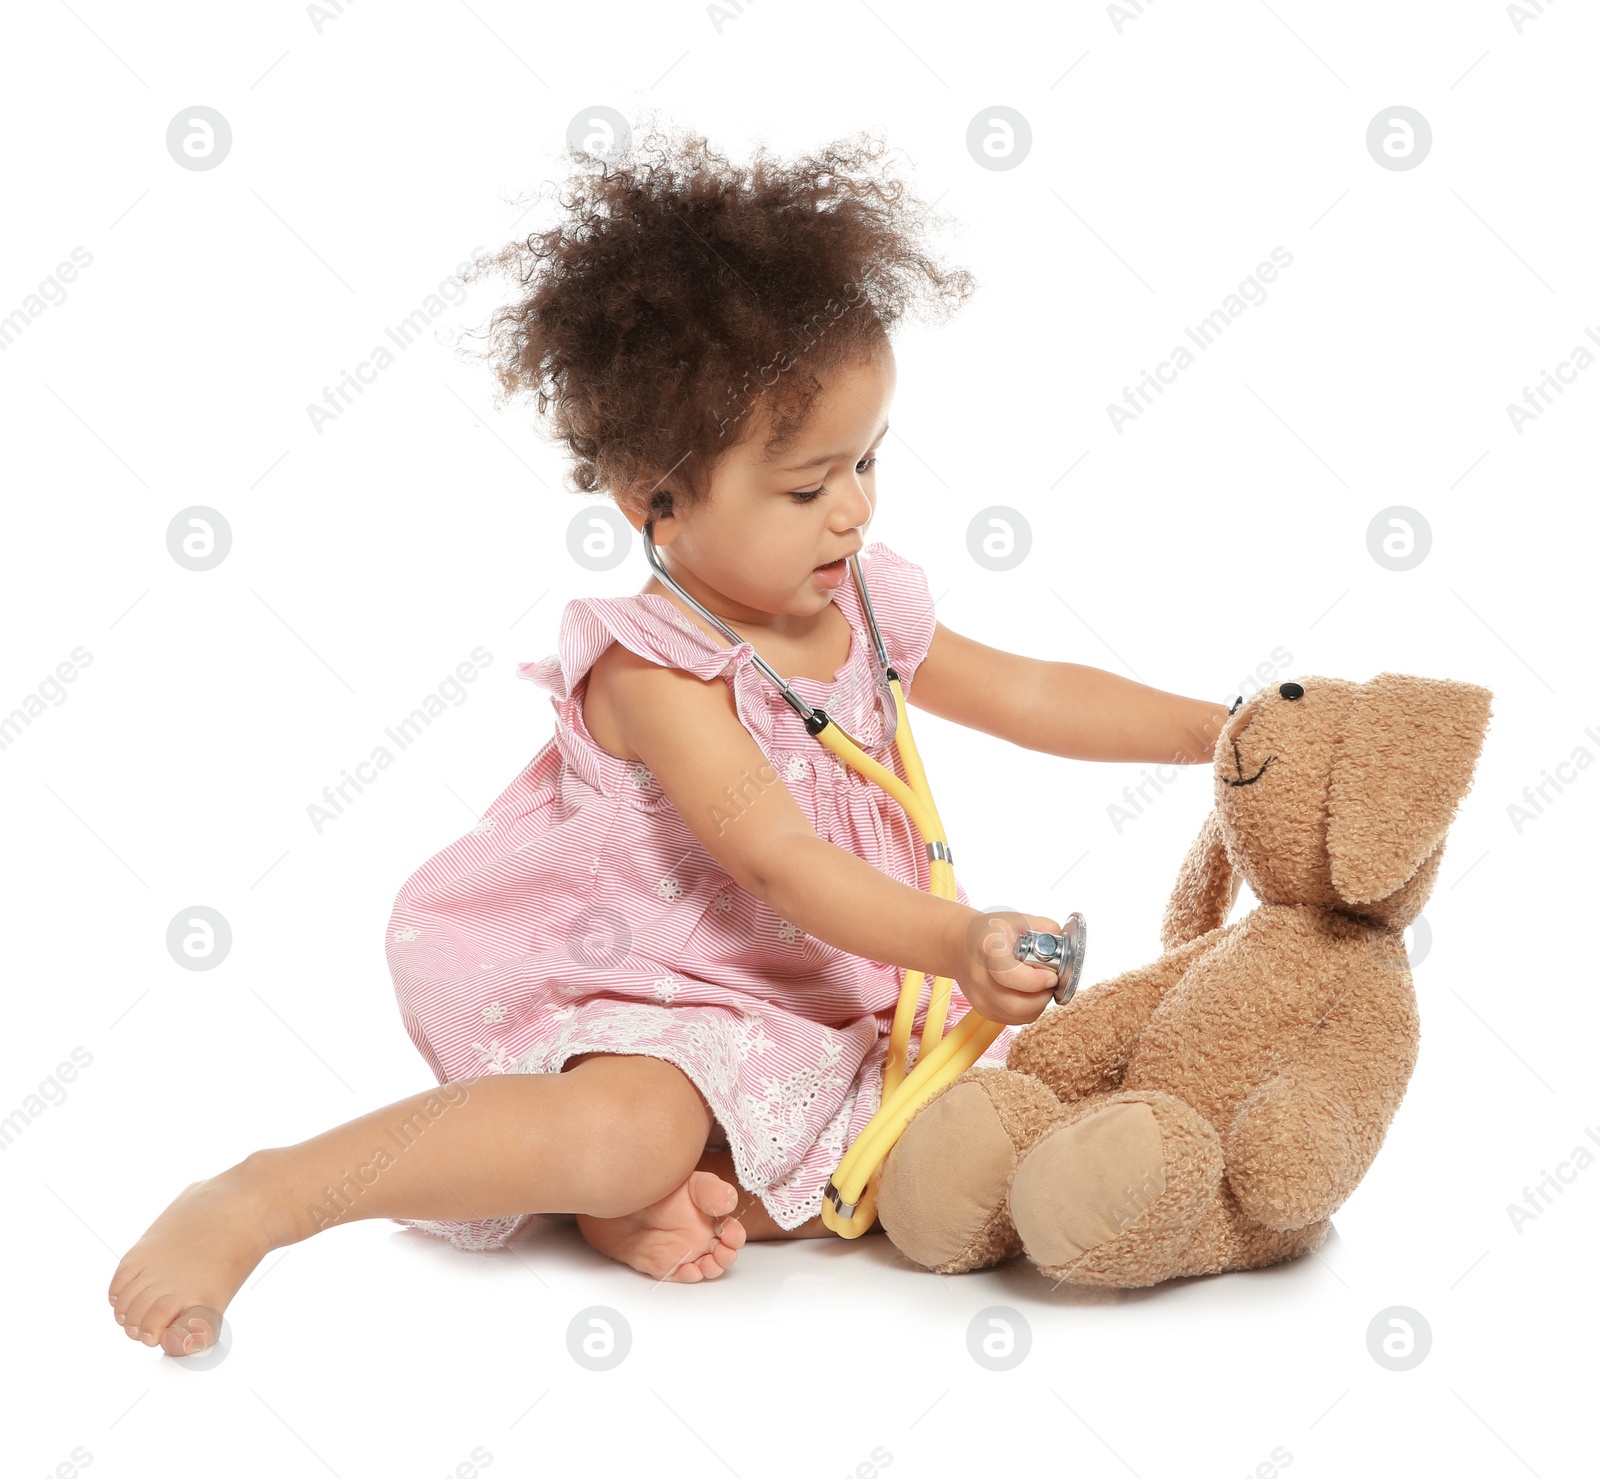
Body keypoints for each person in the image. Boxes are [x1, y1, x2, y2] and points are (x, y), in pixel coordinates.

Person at [107, 122, 1231, 1355]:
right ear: (656, 490)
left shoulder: (860, 601)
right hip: (644, 987)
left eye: (867, 463)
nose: (852, 508)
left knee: (878, 1172)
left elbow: (1026, 694)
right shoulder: (658, 668)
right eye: (807, 486)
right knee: (627, 1131)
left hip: (814, 993)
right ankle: (267, 1193)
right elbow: (777, 865)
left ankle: (634, 1213)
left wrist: (1215, 735)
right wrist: (954, 937)